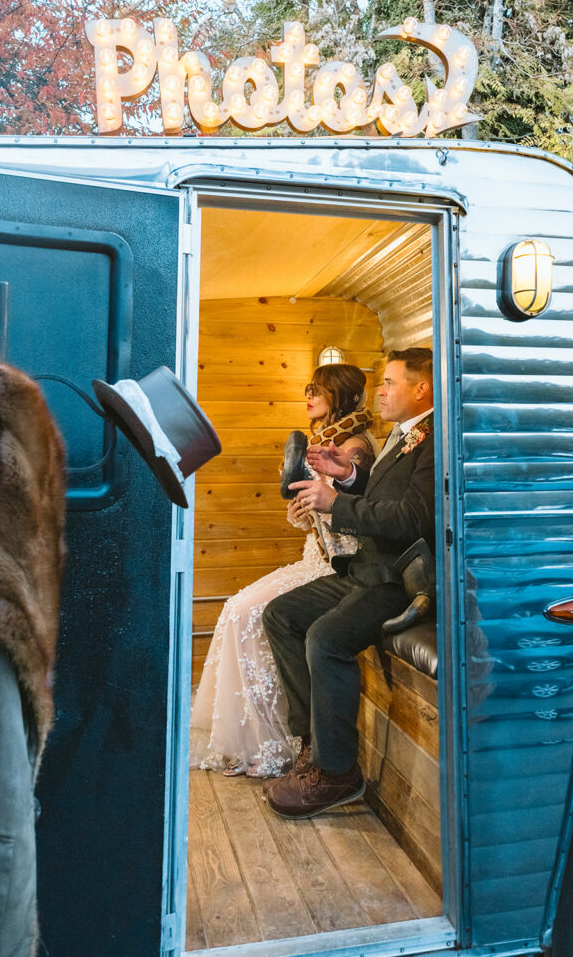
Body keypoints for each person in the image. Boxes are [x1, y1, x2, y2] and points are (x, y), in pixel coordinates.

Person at [262, 347, 435, 818]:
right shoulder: (404, 436)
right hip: (365, 570)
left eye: (390, 383)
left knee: (326, 638)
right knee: (280, 615)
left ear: (421, 389)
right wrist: (351, 475)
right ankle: (313, 743)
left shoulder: (436, 437)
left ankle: (338, 774)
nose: (379, 391)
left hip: (399, 580)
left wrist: (334, 502)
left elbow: (413, 517)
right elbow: (384, 496)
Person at [190, 364, 376, 778]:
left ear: (340, 395)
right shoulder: (319, 440)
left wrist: (323, 508)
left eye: (318, 389)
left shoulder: (354, 447)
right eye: (308, 388)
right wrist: (303, 511)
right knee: (236, 609)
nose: (308, 396)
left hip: (339, 564)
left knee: (251, 613)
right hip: (314, 554)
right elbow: (314, 516)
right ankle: (251, 736)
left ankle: (284, 742)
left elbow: (356, 515)